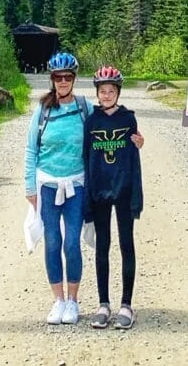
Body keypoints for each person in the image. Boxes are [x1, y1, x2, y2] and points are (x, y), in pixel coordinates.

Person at [24, 51, 91, 325]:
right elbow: (31, 149)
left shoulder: (85, 108)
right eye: (58, 77)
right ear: (51, 80)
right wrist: (30, 188)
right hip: (48, 185)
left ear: (74, 79)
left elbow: (104, 132)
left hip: (76, 184)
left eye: (67, 77)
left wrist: (132, 137)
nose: (63, 81)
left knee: (72, 242)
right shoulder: (42, 110)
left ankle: (73, 300)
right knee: (52, 242)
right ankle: (58, 301)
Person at [83, 65, 143, 330]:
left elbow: (135, 159)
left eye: (111, 91)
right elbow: (86, 159)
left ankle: (127, 304)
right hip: (99, 192)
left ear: (118, 92)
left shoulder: (128, 119)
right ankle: (103, 303)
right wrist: (87, 198)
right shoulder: (92, 121)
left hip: (123, 190)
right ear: (97, 93)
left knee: (126, 245)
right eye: (102, 91)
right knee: (103, 247)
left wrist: (136, 196)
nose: (106, 95)